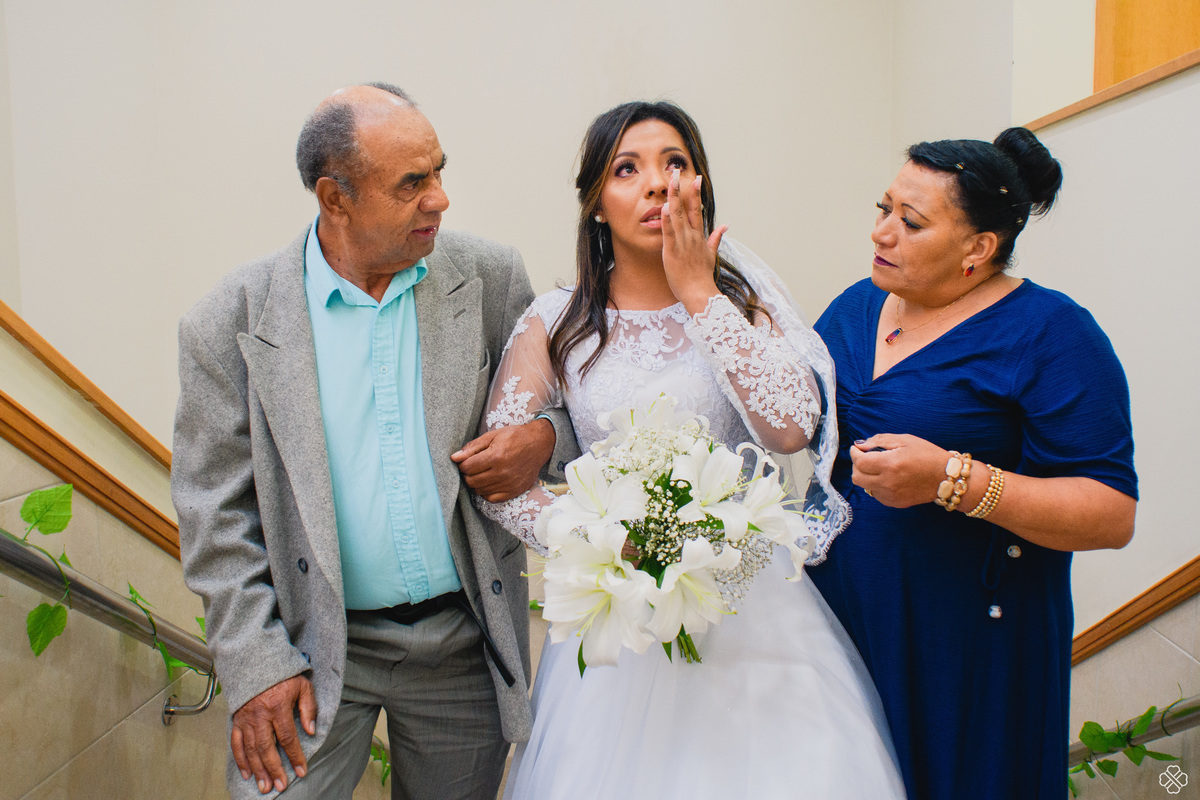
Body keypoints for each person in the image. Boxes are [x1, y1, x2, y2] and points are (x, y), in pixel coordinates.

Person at [476, 101, 906, 799]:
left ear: (699, 185)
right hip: (619, 625)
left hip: (748, 607)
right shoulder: (555, 323)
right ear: (595, 202)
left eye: (675, 163)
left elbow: (790, 429)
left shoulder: (741, 303)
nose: (657, 184)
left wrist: (700, 293)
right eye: (627, 168)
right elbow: (497, 481)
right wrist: (596, 543)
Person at [172, 83, 575, 799]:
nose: (440, 199)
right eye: (412, 183)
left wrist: (542, 440)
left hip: (463, 648)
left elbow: (574, 416)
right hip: (308, 648)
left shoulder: (488, 278)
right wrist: (258, 664)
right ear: (336, 198)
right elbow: (215, 513)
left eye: (440, 171)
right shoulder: (228, 321)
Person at [808, 128, 1137, 799]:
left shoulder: (1051, 333)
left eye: (911, 221)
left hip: (964, 646)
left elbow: (1111, 514)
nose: (881, 233)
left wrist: (951, 480)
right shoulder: (854, 307)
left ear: (978, 247)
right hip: (841, 620)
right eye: (883, 209)